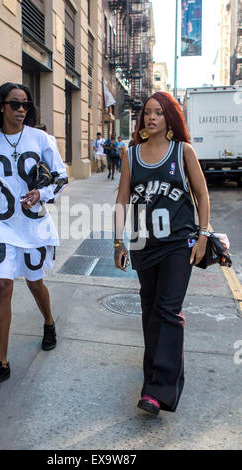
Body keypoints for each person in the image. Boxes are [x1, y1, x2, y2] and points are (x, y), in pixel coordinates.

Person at [114, 91, 210, 415]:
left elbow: (202, 195)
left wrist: (203, 236)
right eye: (147, 112)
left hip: (178, 244)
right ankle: (158, 376)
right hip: (144, 246)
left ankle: (157, 391)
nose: (151, 117)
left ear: (169, 117)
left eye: (158, 112)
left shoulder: (183, 152)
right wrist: (118, 241)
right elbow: (121, 200)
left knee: (168, 311)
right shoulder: (131, 155)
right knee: (151, 312)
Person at [0, 82, 68, 393]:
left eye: (26, 104)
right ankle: (1, 364)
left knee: (34, 281)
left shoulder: (41, 138)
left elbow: (61, 175)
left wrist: (42, 191)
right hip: (2, 225)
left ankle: (49, 322)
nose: (22, 109)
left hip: (33, 225)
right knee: (2, 287)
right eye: (15, 104)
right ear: (2, 106)